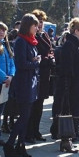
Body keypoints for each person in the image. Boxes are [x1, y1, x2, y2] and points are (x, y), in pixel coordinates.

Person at [4, 14, 40, 157]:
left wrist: (35, 60)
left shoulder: (31, 41)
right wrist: (36, 62)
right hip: (23, 83)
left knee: (26, 116)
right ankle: (10, 144)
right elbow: (21, 64)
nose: (37, 28)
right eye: (34, 26)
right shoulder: (21, 41)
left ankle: (21, 145)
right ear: (27, 26)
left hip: (31, 82)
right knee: (23, 116)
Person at [53, 18, 79, 148]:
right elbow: (67, 67)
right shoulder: (69, 45)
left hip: (78, 83)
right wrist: (68, 84)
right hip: (71, 84)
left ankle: (75, 132)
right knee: (70, 108)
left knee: (77, 107)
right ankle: (69, 135)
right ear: (76, 31)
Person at [26, 10, 54, 142]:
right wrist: (45, 58)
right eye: (38, 22)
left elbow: (50, 50)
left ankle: (36, 131)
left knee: (40, 105)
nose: (41, 25)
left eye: (42, 22)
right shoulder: (32, 37)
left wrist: (51, 57)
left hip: (45, 74)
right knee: (33, 105)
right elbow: (35, 55)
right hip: (36, 73)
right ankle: (29, 132)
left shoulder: (44, 35)